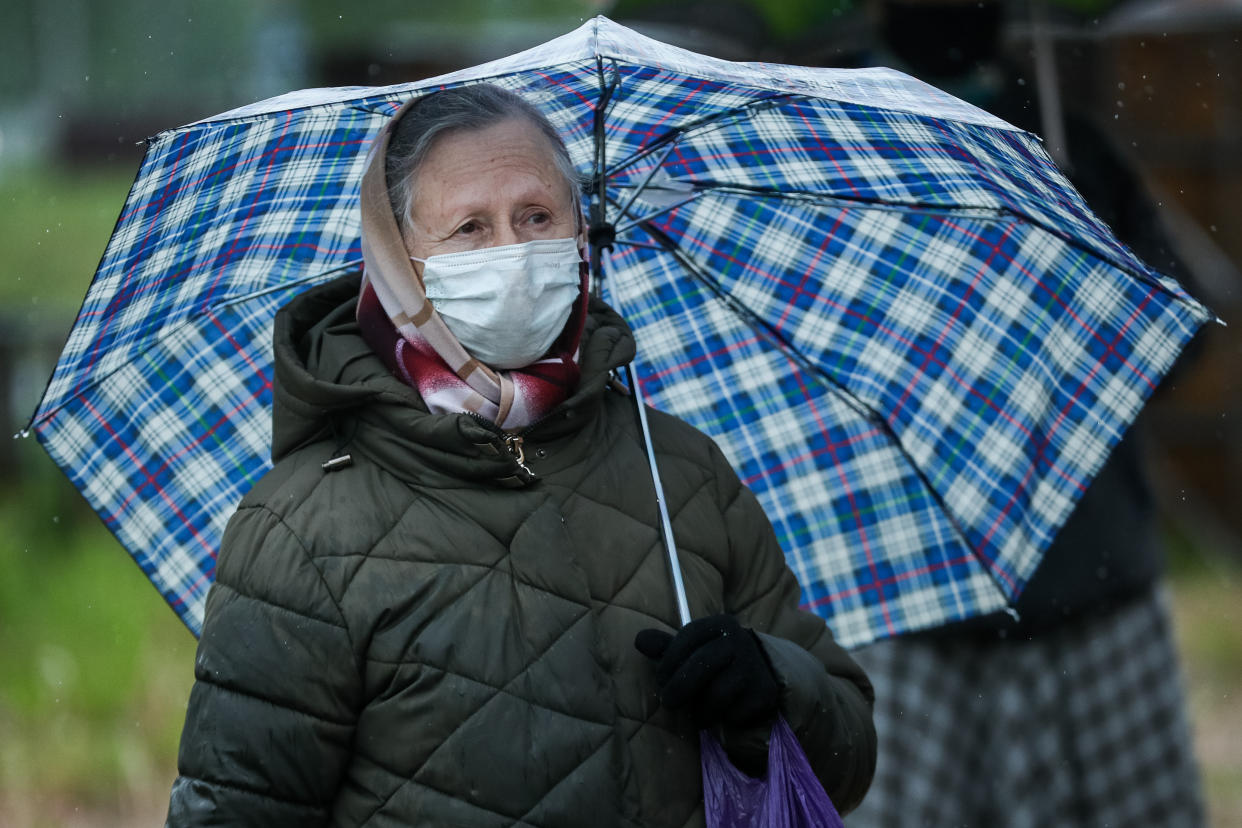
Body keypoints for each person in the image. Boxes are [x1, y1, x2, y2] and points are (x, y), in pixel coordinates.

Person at [165, 83, 877, 827]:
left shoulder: (684, 474)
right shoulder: (304, 530)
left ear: (579, 234)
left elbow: (848, 761)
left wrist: (773, 688)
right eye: (470, 228)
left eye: (536, 216)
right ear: (400, 261)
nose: (513, 254)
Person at [838, 2, 1207, 825]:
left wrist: (1084, 288)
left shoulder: (1063, 146)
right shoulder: (837, 134)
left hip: (1086, 585)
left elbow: (1178, 329)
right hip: (909, 597)